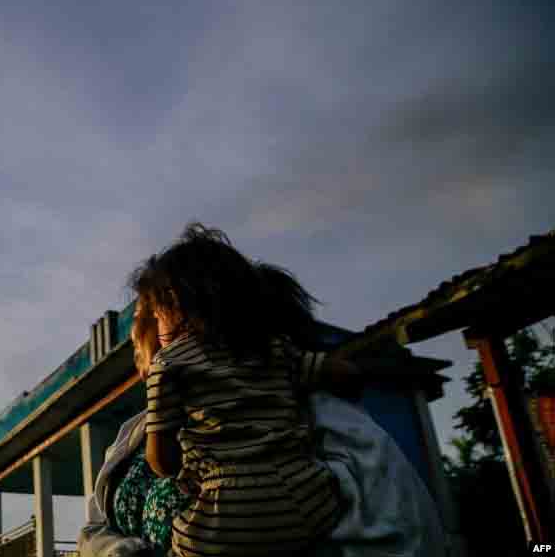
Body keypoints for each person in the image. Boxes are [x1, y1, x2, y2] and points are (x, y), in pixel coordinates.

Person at [78, 223, 446, 557]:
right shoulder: (135, 433)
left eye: (149, 318)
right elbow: (94, 530)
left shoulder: (326, 422)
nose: (138, 340)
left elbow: (399, 532)